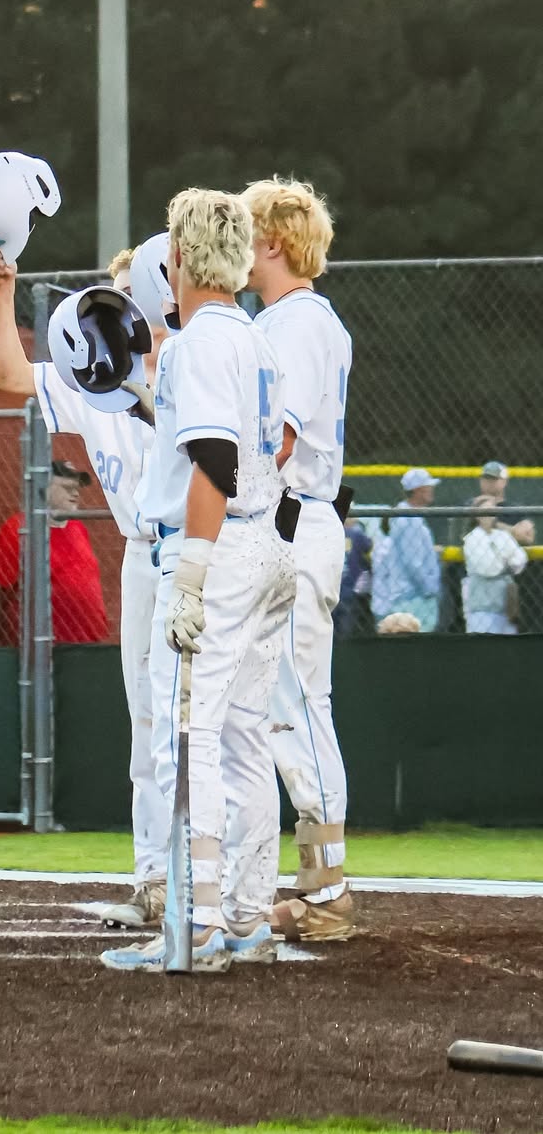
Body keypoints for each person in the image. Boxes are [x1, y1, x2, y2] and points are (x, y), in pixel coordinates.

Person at [102, 189, 295, 974]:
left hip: (216, 548)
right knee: (246, 737)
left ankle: (197, 923)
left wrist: (192, 571)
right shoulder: (256, 338)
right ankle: (246, 917)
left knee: (189, 740)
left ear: (178, 257)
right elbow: (268, 448)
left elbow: (214, 459)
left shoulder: (196, 342)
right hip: (265, 542)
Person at [0, 243, 170, 929]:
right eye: (113, 296)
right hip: (144, 555)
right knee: (147, 725)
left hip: (208, 551)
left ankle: (230, 880)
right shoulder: (94, 381)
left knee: (211, 724)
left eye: (129, 293)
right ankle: (155, 879)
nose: (116, 310)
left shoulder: (190, 363)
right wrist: (3, 293)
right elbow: (7, 374)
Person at [244, 178, 356, 941]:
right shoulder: (289, 319)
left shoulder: (298, 322)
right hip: (291, 521)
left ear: (274, 242)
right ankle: (314, 881)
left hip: (295, 519)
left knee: (297, 705)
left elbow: (276, 440)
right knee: (280, 705)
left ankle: (328, 888)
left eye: (247, 232)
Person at [0, 459, 109, 644]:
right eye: (67, 488)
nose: (75, 493)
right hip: (45, 645)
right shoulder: (22, 528)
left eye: (77, 488)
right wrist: (11, 623)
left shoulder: (77, 527)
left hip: (89, 641)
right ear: (44, 488)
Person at [370, 468, 442, 632]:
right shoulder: (409, 519)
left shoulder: (410, 516)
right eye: (428, 486)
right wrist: (429, 588)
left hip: (411, 595)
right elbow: (413, 562)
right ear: (418, 490)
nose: (432, 490)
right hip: (413, 597)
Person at [462, 495, 528, 635]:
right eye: (485, 511)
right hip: (482, 607)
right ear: (476, 515)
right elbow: (488, 569)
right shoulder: (472, 539)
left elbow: (520, 559)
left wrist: (501, 558)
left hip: (505, 608)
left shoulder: (502, 535)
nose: (489, 514)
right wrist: (506, 559)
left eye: (492, 510)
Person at [332, 518, 373, 637]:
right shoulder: (356, 534)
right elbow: (369, 549)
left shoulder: (330, 532)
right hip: (350, 591)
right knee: (347, 630)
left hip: (332, 589)